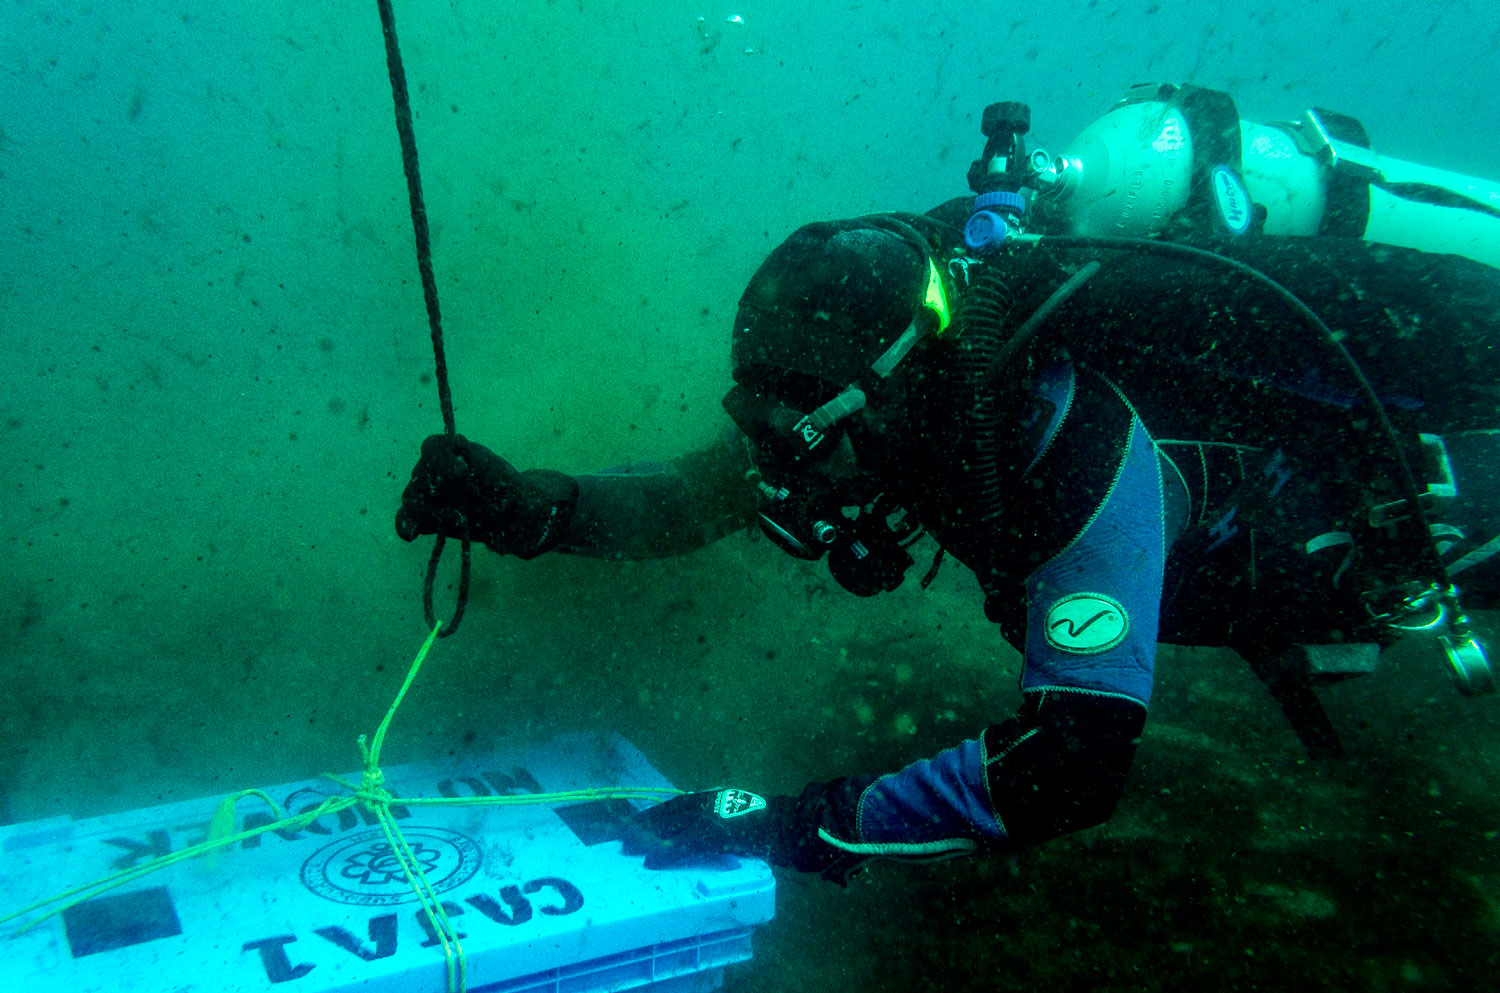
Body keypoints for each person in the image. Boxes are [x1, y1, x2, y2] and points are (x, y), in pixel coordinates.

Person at [395, 86, 1500, 883]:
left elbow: (1068, 767)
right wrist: (530, 507)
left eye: (803, 438)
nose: (781, 469)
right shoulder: (891, 380)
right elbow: (700, 493)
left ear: (888, 393)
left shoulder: (1072, 450)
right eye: (759, 423)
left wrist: (795, 823)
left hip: (1430, 519)